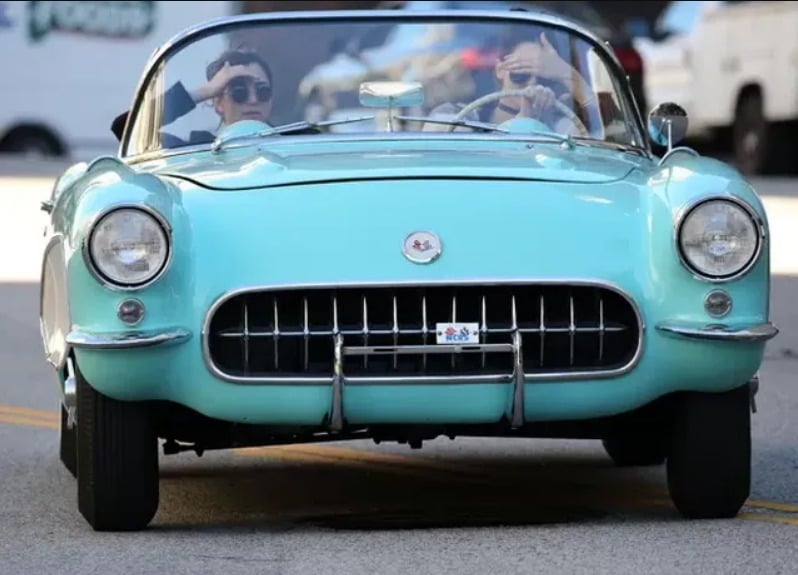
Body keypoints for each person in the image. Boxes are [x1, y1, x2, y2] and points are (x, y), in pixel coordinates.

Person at [425, 29, 601, 135]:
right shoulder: (456, 118)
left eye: (543, 76)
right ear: (500, 70)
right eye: (521, 72)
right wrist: (521, 125)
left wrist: (567, 73)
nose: (531, 85)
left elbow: (610, 133)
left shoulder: (562, 129)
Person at [110, 48, 274, 147]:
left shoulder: (294, 143)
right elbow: (124, 127)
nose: (253, 99)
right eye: (240, 92)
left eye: (262, 90)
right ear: (218, 103)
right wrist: (205, 90)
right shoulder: (195, 150)